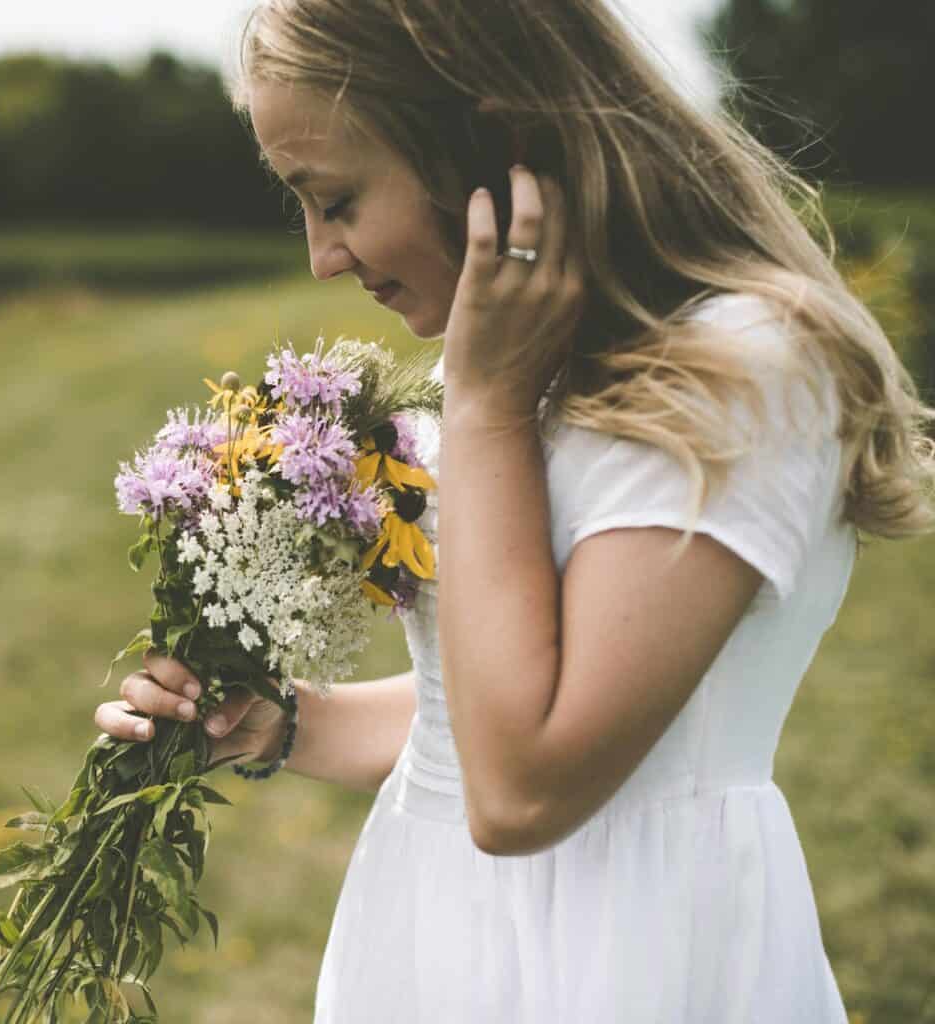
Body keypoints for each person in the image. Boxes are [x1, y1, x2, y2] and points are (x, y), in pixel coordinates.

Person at [95, 1, 935, 1020]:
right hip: (437, 928)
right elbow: (479, 704)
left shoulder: (735, 369)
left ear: (484, 149)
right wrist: (284, 724)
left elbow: (524, 783)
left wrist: (485, 407)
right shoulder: (512, 353)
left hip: (631, 947)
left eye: (338, 199)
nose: (322, 255)